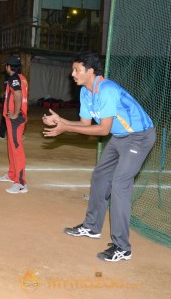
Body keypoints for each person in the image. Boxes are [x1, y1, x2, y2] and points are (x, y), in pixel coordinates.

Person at [43, 52, 155, 262]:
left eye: (77, 70)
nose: (73, 73)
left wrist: (66, 127)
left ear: (91, 71)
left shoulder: (107, 90)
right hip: (121, 136)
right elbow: (86, 124)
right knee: (100, 176)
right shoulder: (86, 92)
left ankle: (122, 247)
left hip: (139, 137)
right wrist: (63, 122)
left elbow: (103, 130)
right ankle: (92, 227)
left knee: (120, 185)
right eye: (73, 69)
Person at [0, 55, 29, 194]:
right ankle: (12, 174)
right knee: (11, 146)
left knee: (17, 148)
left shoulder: (14, 78)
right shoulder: (21, 78)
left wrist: (15, 113)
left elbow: (18, 95)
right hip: (13, 119)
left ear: (9, 67)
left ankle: (21, 183)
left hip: (16, 119)